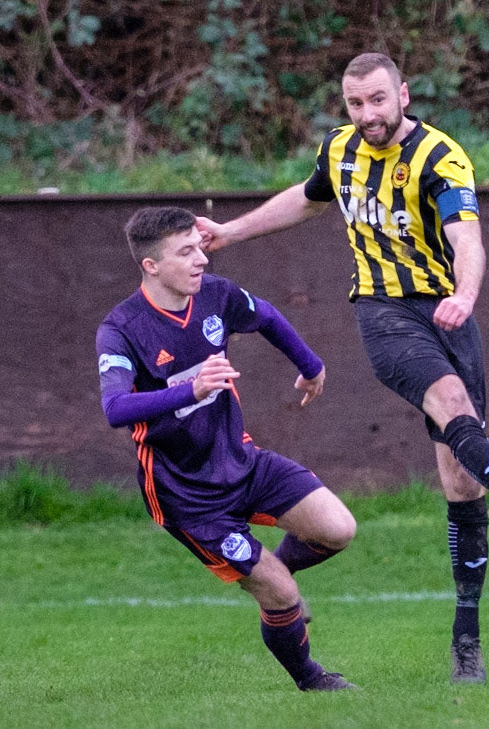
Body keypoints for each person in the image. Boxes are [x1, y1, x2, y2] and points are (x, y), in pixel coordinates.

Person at [196, 51, 489, 685]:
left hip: (449, 315)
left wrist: (466, 296)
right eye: (354, 104)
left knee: (460, 481)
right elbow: (310, 198)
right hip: (383, 314)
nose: (366, 115)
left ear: (404, 92)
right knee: (450, 403)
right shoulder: (340, 150)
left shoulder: (440, 158)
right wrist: (230, 232)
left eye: (376, 100)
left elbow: (467, 239)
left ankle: (466, 644)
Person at [95, 206, 358, 692]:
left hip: (243, 461)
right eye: (186, 252)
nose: (202, 261)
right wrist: (190, 390)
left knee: (338, 528)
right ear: (150, 266)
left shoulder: (216, 296)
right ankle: (312, 681)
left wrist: (312, 365)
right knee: (280, 592)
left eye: (200, 247)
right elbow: (115, 408)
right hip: (186, 495)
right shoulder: (122, 328)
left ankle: (271, 574)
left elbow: (267, 317)